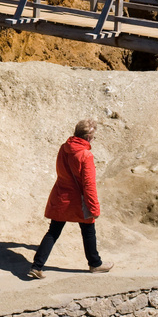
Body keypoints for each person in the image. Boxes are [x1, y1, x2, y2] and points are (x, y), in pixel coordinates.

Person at [24, 119, 110, 278]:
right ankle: (95, 264)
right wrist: (94, 208)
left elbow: (60, 171)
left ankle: (36, 266)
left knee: (53, 232)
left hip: (61, 197)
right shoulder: (86, 155)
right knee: (88, 231)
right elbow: (89, 185)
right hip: (78, 201)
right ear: (89, 137)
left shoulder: (64, 148)